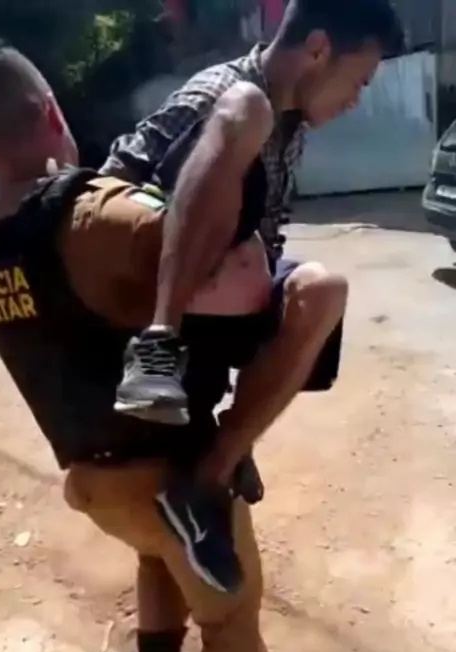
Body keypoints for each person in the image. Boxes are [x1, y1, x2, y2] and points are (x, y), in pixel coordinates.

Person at [0, 41, 327, 652]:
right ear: (50, 112)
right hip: (168, 470)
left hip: (94, 483)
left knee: (157, 554)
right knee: (230, 616)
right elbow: (236, 279)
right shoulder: (91, 215)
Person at [102, 0, 405, 595]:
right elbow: (111, 193)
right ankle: (157, 351)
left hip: (224, 299)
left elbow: (269, 233)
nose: (356, 100)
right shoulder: (226, 96)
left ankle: (211, 474)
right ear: (318, 49)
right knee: (248, 114)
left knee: (322, 291)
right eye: (359, 80)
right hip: (159, 298)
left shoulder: (290, 122)